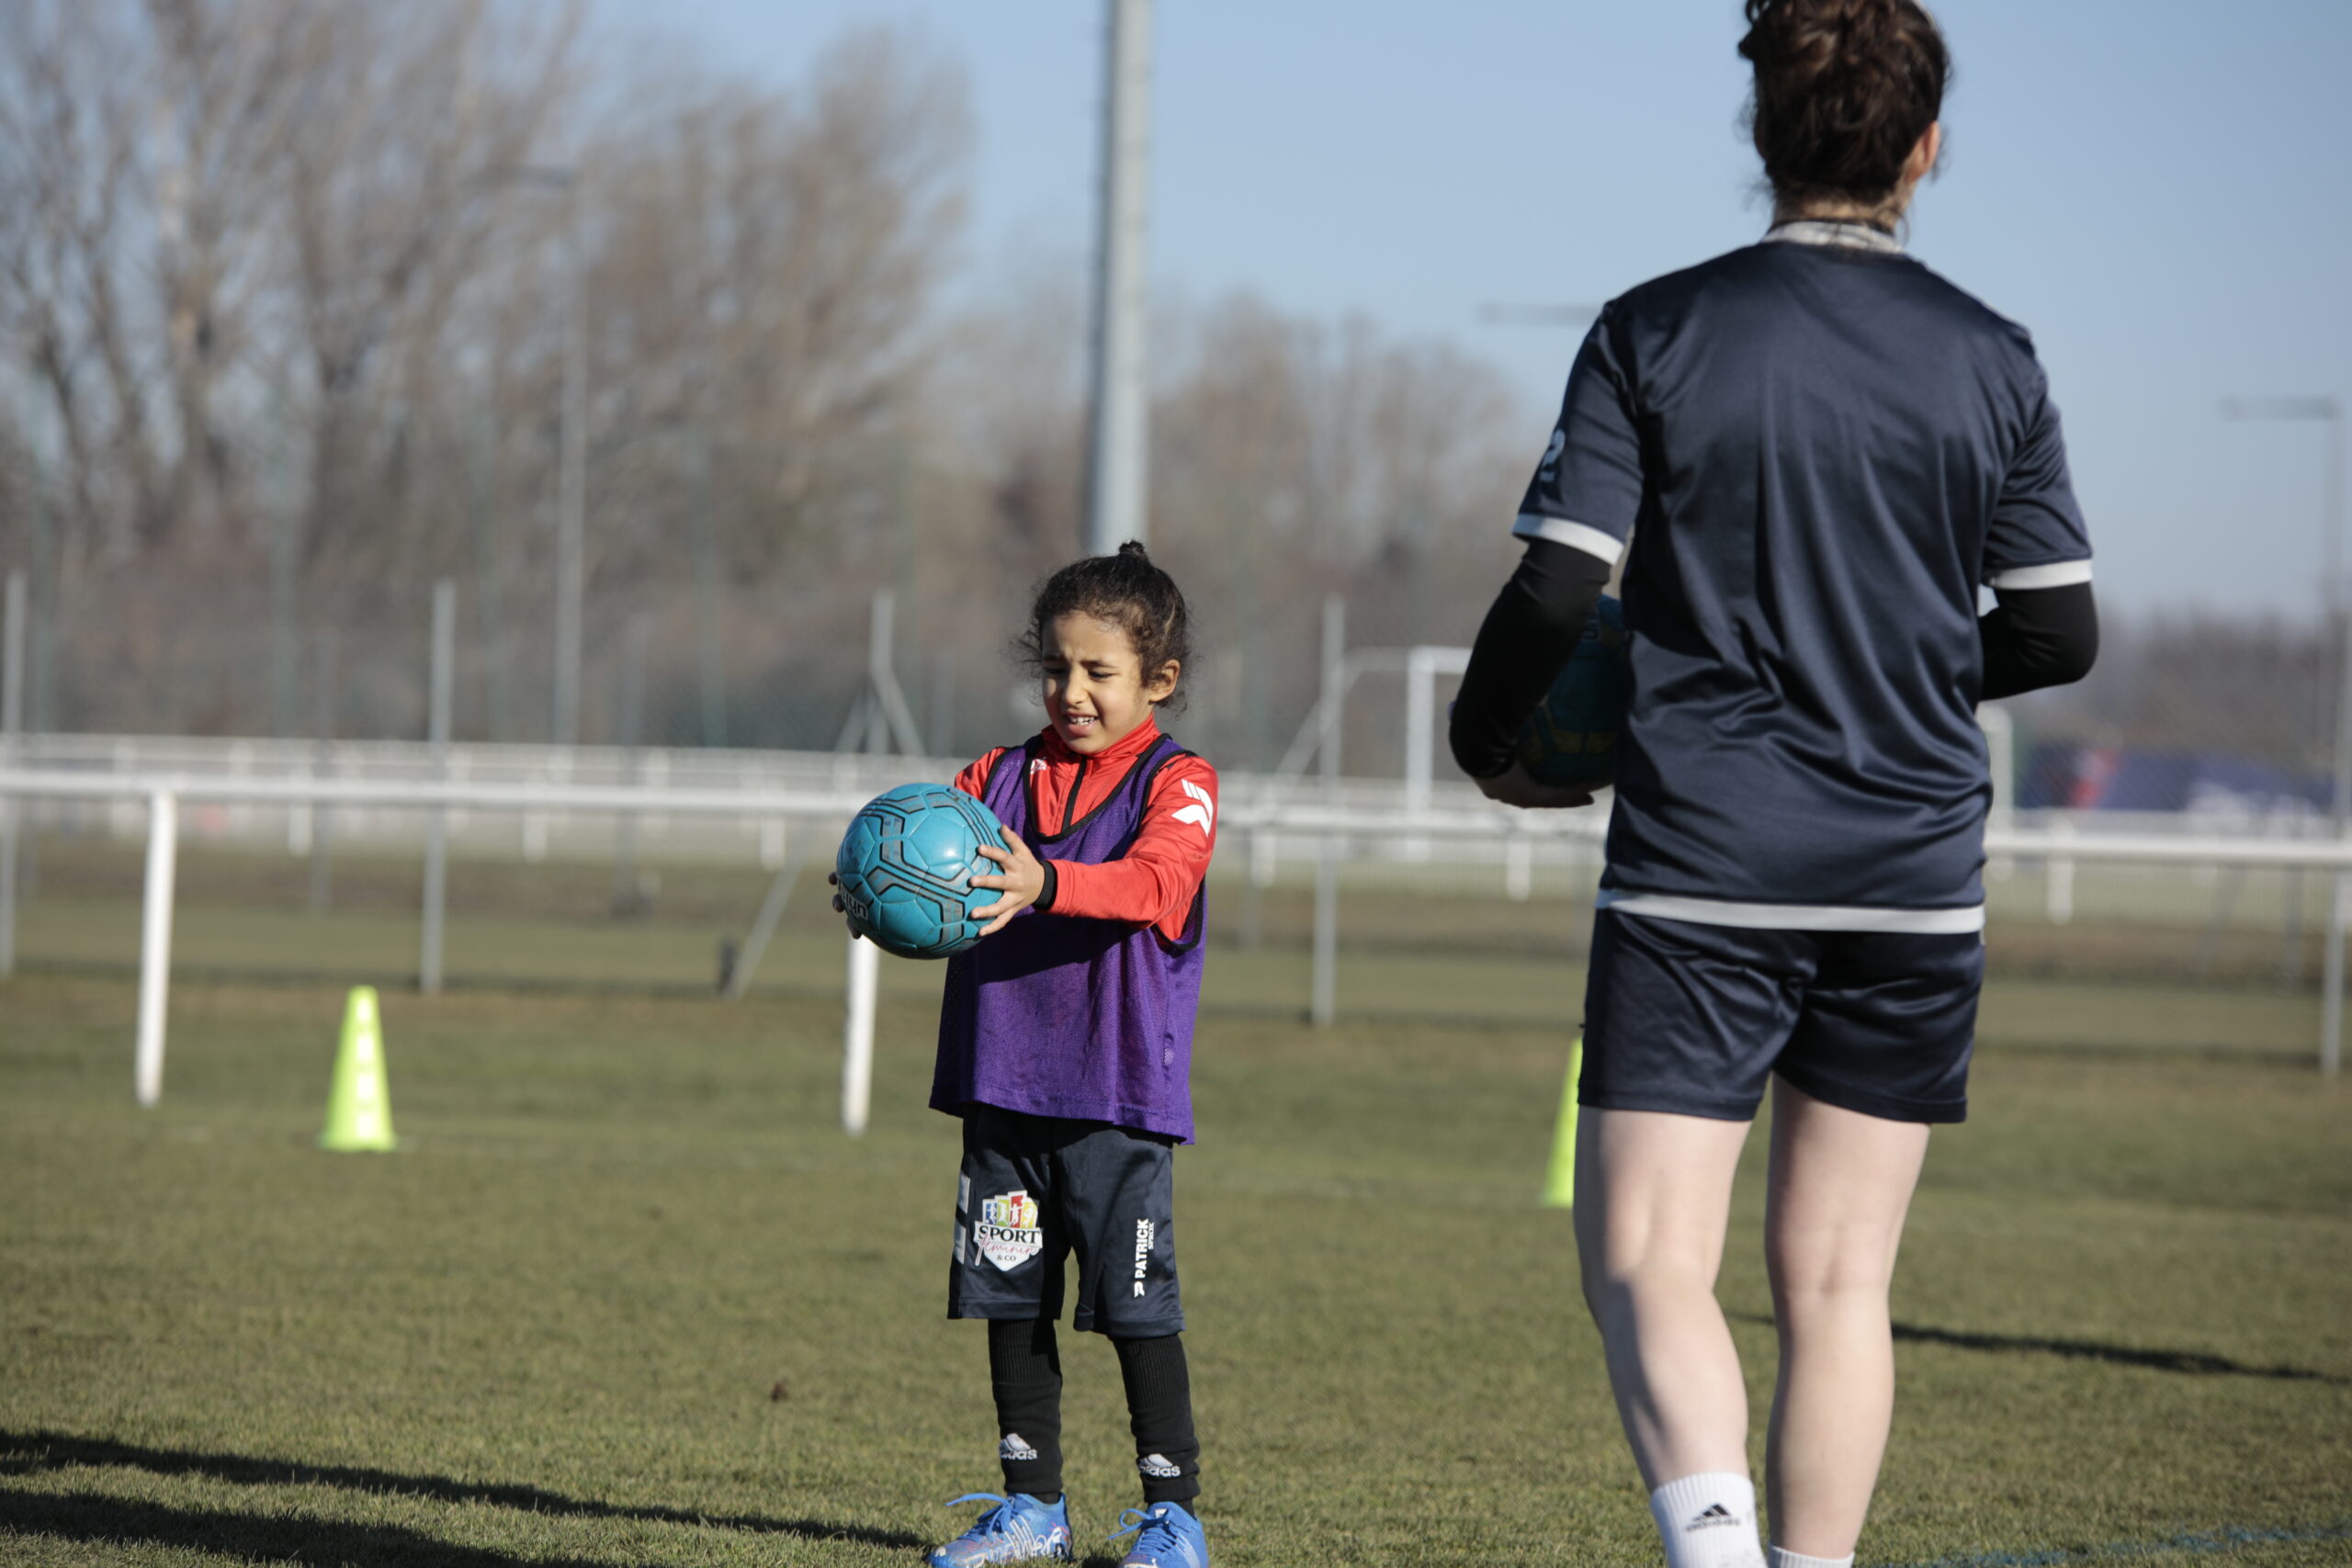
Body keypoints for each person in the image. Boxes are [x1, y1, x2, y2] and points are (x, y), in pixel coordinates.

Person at [1446, 4, 2098, 1567]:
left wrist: (1487, 744)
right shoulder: (1992, 355)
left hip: (1704, 865)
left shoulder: (1654, 329)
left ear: (1760, 136)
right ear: (1926, 148)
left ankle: (1717, 1549)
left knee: (1653, 1254)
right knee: (1838, 1281)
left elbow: (1556, 593)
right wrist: (1898, 677)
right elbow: (2060, 628)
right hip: (1916, 875)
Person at [839, 542, 1217, 1568]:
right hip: (1001, 1089)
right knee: (1008, 1298)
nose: (1073, 691)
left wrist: (1045, 884)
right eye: (1056, 668)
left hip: (1115, 1100)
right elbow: (926, 867)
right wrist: (878, 894)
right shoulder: (992, 779)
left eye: (1100, 672)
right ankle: (1030, 1509)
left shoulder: (1179, 785)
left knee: (1137, 1314)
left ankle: (1171, 1518)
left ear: (1158, 681)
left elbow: (1156, 887)